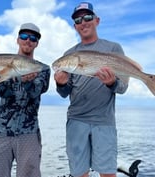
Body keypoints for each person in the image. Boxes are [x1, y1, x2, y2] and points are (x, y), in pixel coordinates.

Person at [54, 2, 128, 177]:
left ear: (97, 20)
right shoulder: (69, 54)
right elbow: (64, 94)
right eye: (78, 20)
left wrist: (112, 83)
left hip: (104, 121)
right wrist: (61, 84)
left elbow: (123, 88)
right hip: (76, 120)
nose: (83, 22)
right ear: (75, 26)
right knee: (79, 173)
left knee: (108, 173)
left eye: (87, 17)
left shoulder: (113, 48)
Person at [0, 23, 50, 177]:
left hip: (28, 132)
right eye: (24, 36)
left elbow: (36, 92)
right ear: (17, 39)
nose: (28, 40)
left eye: (33, 38)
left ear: (37, 43)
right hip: (1, 130)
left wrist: (28, 82)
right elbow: (5, 94)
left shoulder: (42, 68)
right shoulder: (4, 64)